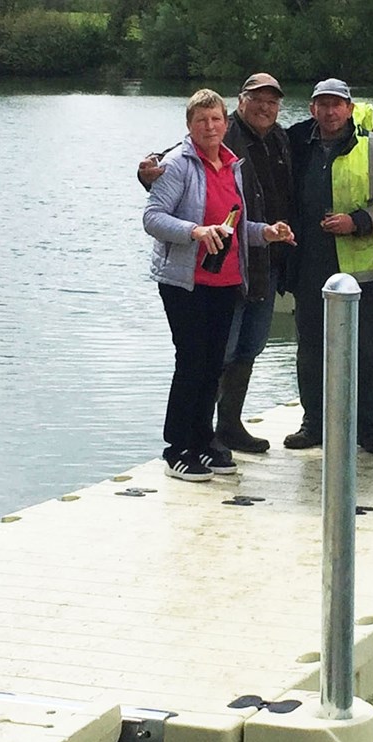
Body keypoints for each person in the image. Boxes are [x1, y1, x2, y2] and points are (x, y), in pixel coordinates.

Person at [138, 74, 295, 456]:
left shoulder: (234, 163)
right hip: (187, 280)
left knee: (216, 363)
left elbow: (237, 224)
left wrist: (267, 232)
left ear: (225, 123)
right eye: (201, 120)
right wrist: (194, 231)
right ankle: (180, 446)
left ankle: (209, 437)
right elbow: (152, 216)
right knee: (194, 362)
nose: (210, 127)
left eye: (215, 120)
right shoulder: (179, 163)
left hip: (231, 277)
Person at [283, 78, 373, 455]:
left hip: (362, 269)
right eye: (322, 104)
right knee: (310, 349)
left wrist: (357, 221)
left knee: (364, 351)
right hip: (309, 265)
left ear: (350, 109)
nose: (330, 111)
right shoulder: (297, 143)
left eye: (336, 104)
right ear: (312, 109)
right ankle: (314, 423)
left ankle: (369, 426)